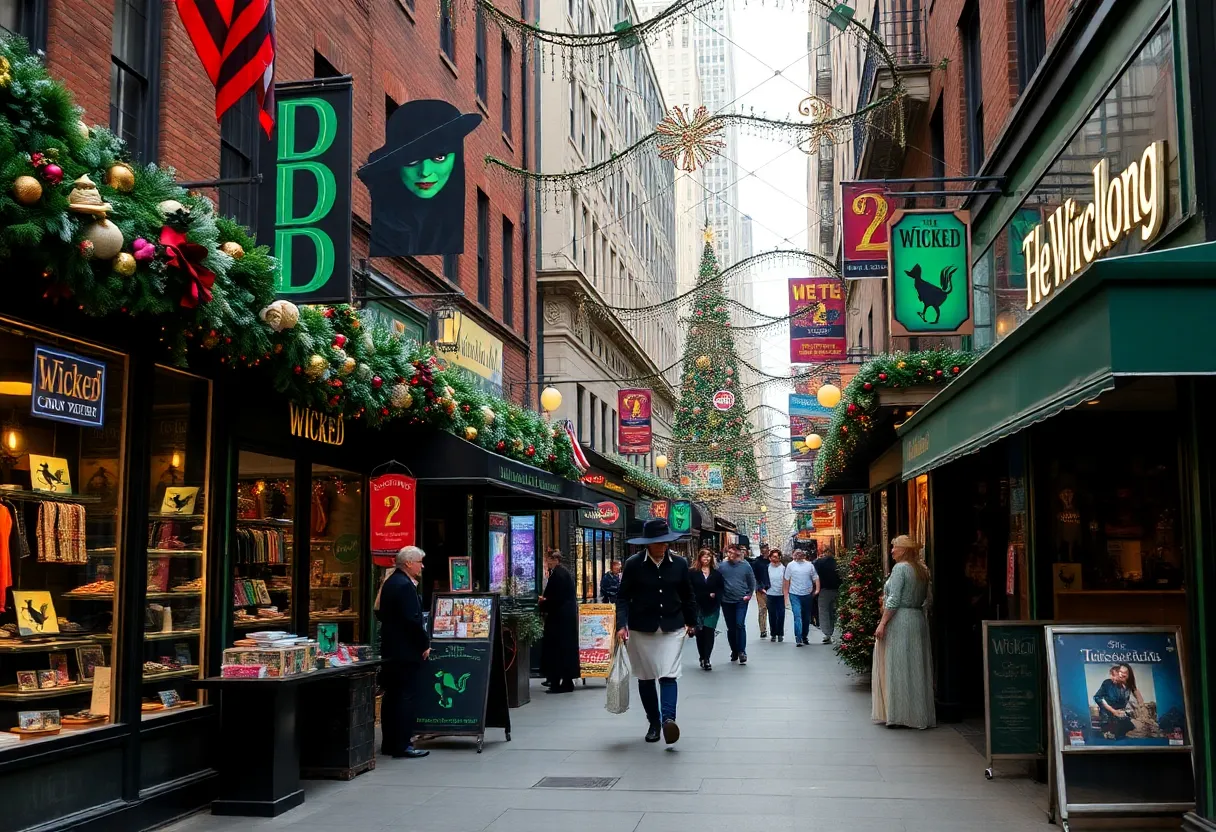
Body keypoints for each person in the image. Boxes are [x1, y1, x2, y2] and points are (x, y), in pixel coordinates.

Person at [357, 99, 483, 256]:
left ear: (455, 159)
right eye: (411, 160)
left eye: (439, 158)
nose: (425, 172)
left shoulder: (443, 228)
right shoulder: (385, 222)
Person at [616, 519, 696, 744]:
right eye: (658, 542)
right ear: (648, 544)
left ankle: (668, 720)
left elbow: (688, 595)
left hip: (672, 626)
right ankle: (653, 721)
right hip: (642, 628)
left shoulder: (680, 564)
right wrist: (621, 625)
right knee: (646, 675)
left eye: (665, 542)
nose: (663, 546)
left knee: (669, 673)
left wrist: (692, 622)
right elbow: (622, 597)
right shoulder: (633, 564)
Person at [872, 535, 935, 729]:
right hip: (917, 619)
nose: (892, 551)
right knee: (916, 666)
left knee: (897, 666)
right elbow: (929, 600)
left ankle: (899, 714)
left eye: (895, 548)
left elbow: (894, 600)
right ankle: (918, 713)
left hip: (900, 620)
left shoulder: (900, 569)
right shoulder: (922, 570)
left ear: (904, 550)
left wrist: (882, 623)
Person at [376, 546, 431, 758]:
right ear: (408, 563)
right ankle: (403, 743)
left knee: (392, 696)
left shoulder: (391, 582)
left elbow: (379, 612)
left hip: (392, 649)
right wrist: (423, 644)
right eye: (420, 561)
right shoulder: (405, 586)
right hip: (405, 651)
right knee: (405, 697)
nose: (422, 566)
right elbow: (413, 620)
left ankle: (390, 742)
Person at [538, 549, 579, 693]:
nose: (548, 563)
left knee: (556, 650)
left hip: (559, 619)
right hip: (564, 618)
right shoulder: (562, 573)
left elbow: (556, 598)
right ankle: (563, 680)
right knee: (564, 651)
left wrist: (544, 602)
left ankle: (557, 681)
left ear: (556, 560)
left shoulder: (558, 575)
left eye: (549, 560)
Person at [718, 545, 757, 664]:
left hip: (741, 600)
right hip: (726, 600)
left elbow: (752, 581)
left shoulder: (745, 566)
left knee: (740, 624)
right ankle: (734, 650)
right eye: (728, 552)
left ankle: (742, 651)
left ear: (738, 554)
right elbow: (717, 581)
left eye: (732, 553)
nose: (730, 555)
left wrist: (749, 595)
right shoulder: (722, 566)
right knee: (731, 627)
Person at [688, 548, 724, 670]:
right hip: (698, 606)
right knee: (700, 633)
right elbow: (689, 589)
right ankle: (702, 656)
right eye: (704, 556)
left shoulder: (717, 573)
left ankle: (707, 658)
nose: (706, 559)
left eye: (709, 556)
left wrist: (716, 596)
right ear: (699, 558)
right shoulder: (693, 573)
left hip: (712, 607)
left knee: (709, 632)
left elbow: (720, 589)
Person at [1094, 663, 1143, 740]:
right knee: (1113, 736)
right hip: (1108, 716)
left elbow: (1138, 697)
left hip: (1121, 715)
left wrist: (1141, 708)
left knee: (1133, 730)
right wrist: (1113, 711)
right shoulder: (1107, 683)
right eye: (1112, 675)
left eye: (1115, 675)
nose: (1113, 678)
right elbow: (1097, 697)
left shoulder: (1127, 685)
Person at [783, 548, 819, 646]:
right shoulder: (790, 566)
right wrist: (785, 595)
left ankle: (804, 636)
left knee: (806, 617)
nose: (798, 555)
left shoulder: (809, 565)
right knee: (797, 615)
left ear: (804, 555)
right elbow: (786, 580)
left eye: (800, 553)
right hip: (794, 594)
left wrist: (817, 590)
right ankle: (798, 637)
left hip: (807, 595)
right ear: (794, 555)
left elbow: (815, 578)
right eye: (797, 553)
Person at [815, 548, 840, 644]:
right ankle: (835, 632)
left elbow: (814, 574)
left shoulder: (819, 562)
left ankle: (827, 634)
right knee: (834, 611)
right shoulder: (837, 563)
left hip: (824, 590)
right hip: (837, 590)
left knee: (824, 612)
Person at [765, 549, 788, 642]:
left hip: (780, 594)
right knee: (772, 615)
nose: (776, 558)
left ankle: (780, 634)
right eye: (774, 556)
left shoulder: (783, 568)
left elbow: (786, 580)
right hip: (770, 594)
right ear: (770, 558)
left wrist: (786, 593)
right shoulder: (767, 567)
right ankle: (773, 634)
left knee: (781, 614)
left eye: (778, 557)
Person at [749, 546, 771, 639]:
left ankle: (774, 630)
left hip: (773, 590)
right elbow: (754, 576)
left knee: (772, 610)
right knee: (762, 609)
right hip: (761, 589)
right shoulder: (757, 562)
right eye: (763, 550)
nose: (765, 551)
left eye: (766, 549)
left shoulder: (773, 561)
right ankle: (763, 630)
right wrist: (759, 587)